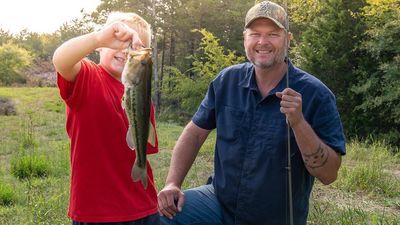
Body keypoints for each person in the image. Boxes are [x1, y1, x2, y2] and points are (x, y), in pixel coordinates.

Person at [157, 1, 346, 225]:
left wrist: (298, 122)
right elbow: (194, 133)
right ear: (245, 37)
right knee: (161, 215)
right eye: (255, 33)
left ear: (288, 39)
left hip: (275, 218)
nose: (262, 42)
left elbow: (329, 174)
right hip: (219, 202)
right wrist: (172, 183)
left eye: (273, 34)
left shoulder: (316, 94)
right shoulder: (227, 81)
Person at [53, 12, 160, 225]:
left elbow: (143, 144)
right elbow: (60, 60)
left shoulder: (140, 94)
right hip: (95, 211)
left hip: (143, 207)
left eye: (135, 47)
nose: (126, 50)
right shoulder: (86, 76)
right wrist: (98, 37)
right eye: (119, 41)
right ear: (100, 47)